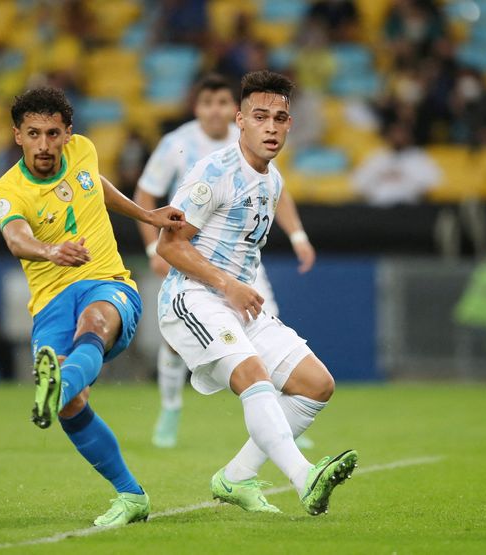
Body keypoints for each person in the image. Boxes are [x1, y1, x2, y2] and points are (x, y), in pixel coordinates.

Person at [156, 70, 357, 515]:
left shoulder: (273, 180)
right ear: (240, 121)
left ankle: (236, 477)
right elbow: (169, 245)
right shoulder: (212, 172)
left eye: (280, 118)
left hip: (238, 304)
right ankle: (305, 477)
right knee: (254, 376)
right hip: (193, 298)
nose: (271, 127)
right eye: (260, 116)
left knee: (316, 385)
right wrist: (228, 285)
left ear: (289, 125)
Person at [0, 86, 183, 527]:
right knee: (73, 404)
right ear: (17, 135)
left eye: (53, 134)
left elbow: (97, 186)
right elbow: (15, 236)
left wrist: (147, 216)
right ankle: (132, 496)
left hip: (107, 285)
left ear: (68, 133)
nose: (44, 145)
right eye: (33, 134)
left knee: (92, 321)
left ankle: (53, 383)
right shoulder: (6, 190)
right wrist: (49, 250)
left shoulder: (84, 151)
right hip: (51, 300)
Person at [133, 73, 316, 448]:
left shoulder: (263, 148)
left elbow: (276, 191)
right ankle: (170, 408)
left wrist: (297, 235)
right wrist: (155, 249)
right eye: (206, 103)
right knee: (177, 342)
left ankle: (283, 418)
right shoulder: (178, 144)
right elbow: (146, 192)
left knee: (265, 324)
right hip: (191, 250)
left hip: (243, 258)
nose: (213, 111)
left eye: (220, 102)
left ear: (232, 110)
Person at [352, 119, 441, 207]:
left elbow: (432, 183)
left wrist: (403, 177)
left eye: (401, 133)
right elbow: (359, 183)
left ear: (409, 136)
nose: (397, 137)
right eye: (394, 133)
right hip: (378, 208)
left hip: (409, 209)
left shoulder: (419, 158)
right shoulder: (378, 157)